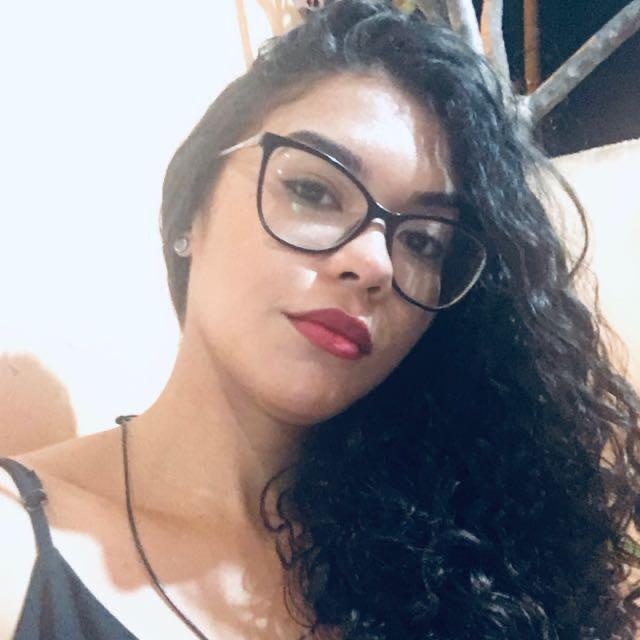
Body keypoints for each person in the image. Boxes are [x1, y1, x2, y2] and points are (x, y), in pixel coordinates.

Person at [1, 1, 639, 638]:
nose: (375, 263)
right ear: (191, 207)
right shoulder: (18, 547)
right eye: (313, 190)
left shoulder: (452, 563)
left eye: (423, 241)